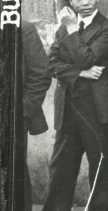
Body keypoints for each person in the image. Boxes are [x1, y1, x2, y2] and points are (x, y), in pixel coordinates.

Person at [44, 0, 108, 210]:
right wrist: (80, 73)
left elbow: (89, 58)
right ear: (70, 0)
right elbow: (52, 64)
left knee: (100, 170)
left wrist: (74, 32)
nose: (85, 2)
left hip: (96, 110)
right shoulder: (63, 28)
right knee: (61, 170)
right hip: (67, 108)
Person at [22, 20, 52, 211]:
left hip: (8, 120)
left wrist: (20, 113)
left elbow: (40, 74)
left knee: (11, 176)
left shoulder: (21, 29)